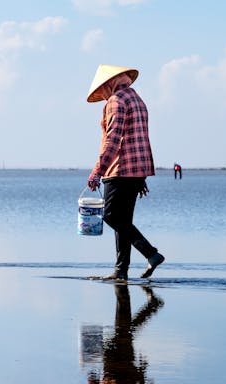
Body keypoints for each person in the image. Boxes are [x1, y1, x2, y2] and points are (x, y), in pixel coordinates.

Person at [85, 64, 165, 281]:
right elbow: (139, 139)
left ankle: (151, 253)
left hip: (119, 169)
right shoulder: (137, 99)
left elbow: (113, 140)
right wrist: (142, 177)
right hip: (137, 170)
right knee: (123, 220)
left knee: (111, 216)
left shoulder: (116, 101)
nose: (102, 95)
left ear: (109, 83)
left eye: (102, 89)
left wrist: (96, 172)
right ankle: (121, 271)